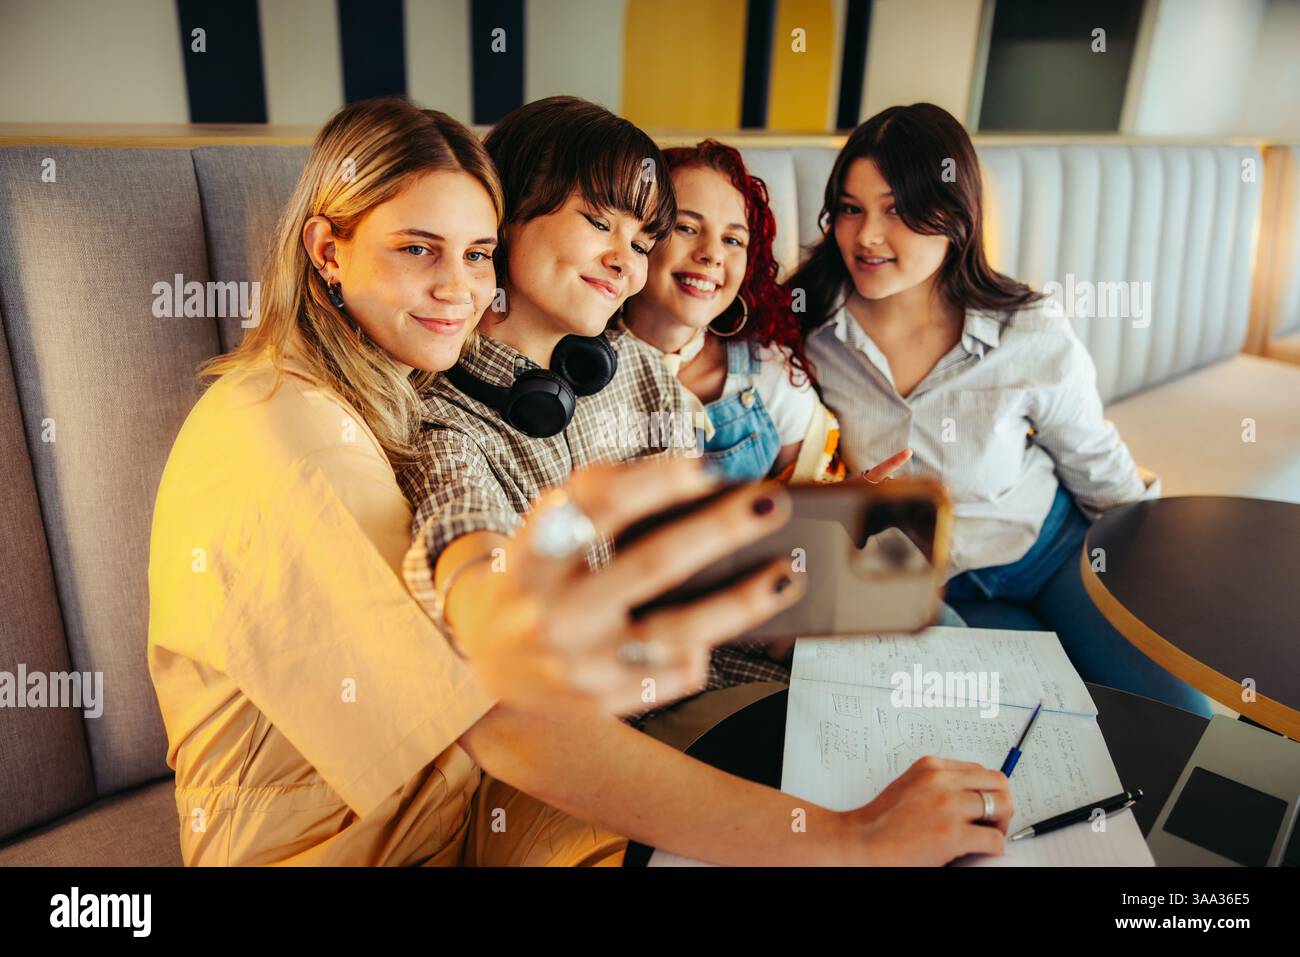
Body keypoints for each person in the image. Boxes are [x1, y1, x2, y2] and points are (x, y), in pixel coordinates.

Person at [147, 95, 1015, 867]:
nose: (458, 286)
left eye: (476, 252)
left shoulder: (411, 383)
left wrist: (810, 598)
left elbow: (660, 613)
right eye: (418, 249)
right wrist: (848, 840)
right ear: (327, 251)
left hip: (492, 797)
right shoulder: (303, 429)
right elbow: (502, 692)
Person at [787, 102, 1212, 717]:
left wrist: (1152, 575)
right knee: (1015, 724)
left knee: (1180, 714)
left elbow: (1098, 465)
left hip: (1048, 550)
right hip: (922, 582)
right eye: (851, 209)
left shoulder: (1026, 330)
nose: (866, 236)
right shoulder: (810, 327)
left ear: (954, 218)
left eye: (897, 211)